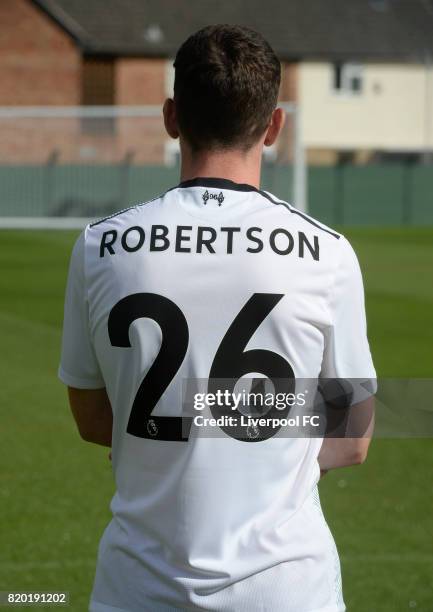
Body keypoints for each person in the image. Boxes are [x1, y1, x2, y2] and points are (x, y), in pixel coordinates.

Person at [59, 24, 376, 612]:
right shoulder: (327, 252)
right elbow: (351, 437)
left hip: (138, 586)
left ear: (171, 116)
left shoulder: (99, 245)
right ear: (274, 125)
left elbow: (93, 416)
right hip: (285, 589)